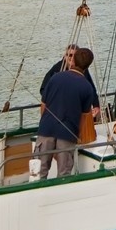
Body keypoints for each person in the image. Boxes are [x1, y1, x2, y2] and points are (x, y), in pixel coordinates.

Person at [39, 47, 100, 176]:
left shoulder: (55, 77)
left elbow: (43, 104)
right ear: (87, 66)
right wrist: (78, 137)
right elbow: (84, 117)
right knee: (64, 173)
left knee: (38, 170)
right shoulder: (87, 87)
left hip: (45, 129)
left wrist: (43, 123)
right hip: (68, 132)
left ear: (74, 61)